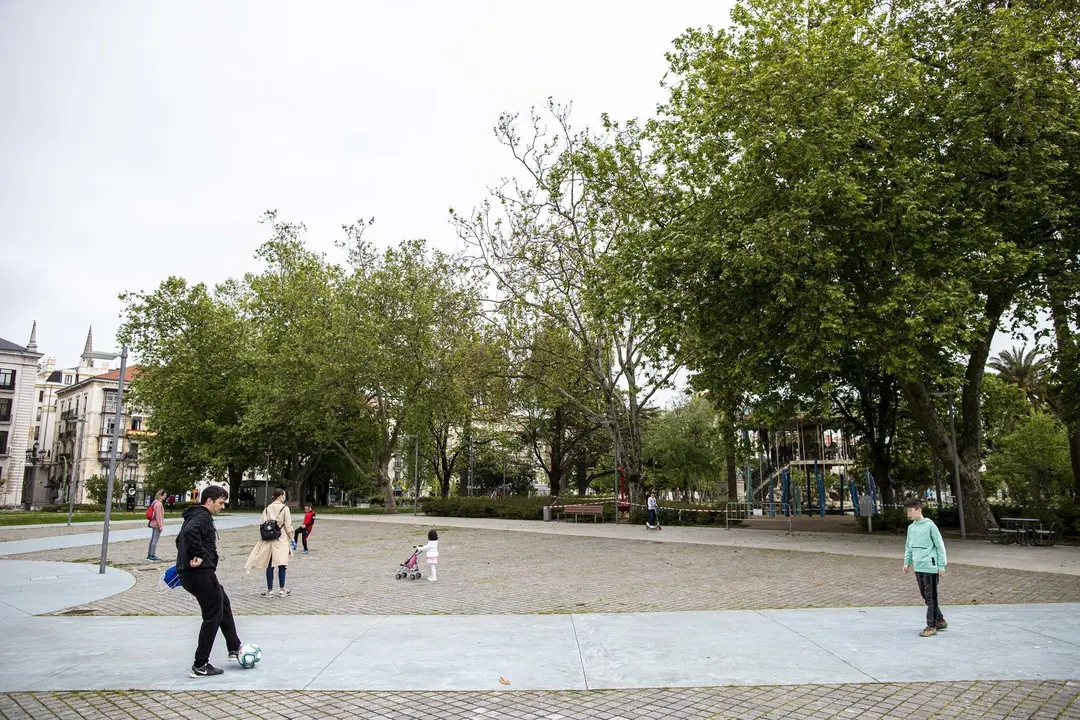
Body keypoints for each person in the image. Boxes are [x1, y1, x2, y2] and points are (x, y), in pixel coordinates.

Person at [175, 485, 242, 677]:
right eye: (221, 502)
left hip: (194, 574)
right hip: (200, 575)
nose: (222, 506)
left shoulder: (194, 515)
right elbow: (188, 535)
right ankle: (200, 664)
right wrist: (200, 556)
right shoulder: (202, 516)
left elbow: (179, 541)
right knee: (213, 615)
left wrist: (188, 557)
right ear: (209, 501)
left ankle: (234, 647)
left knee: (223, 601)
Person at [903, 497, 948, 637]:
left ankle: (931, 625)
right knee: (926, 596)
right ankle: (940, 619)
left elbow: (940, 546)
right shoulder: (911, 528)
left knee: (931, 596)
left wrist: (941, 565)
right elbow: (908, 547)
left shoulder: (930, 526)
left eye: (910, 511)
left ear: (919, 510)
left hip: (931, 566)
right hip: (919, 566)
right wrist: (907, 562)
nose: (908, 514)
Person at [245, 488, 294, 597]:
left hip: (268, 539)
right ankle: (282, 589)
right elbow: (288, 525)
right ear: (280, 496)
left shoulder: (267, 509)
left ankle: (269, 590)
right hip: (280, 538)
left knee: (269, 565)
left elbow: (262, 523)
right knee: (282, 564)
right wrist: (292, 538)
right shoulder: (285, 509)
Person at [146, 489, 166, 561]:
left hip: (152, 523)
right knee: (155, 540)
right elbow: (159, 516)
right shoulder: (159, 504)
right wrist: (160, 526)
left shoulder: (154, 503)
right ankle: (152, 555)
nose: (165, 497)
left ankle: (149, 554)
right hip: (157, 524)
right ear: (160, 495)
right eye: (164, 495)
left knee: (152, 539)